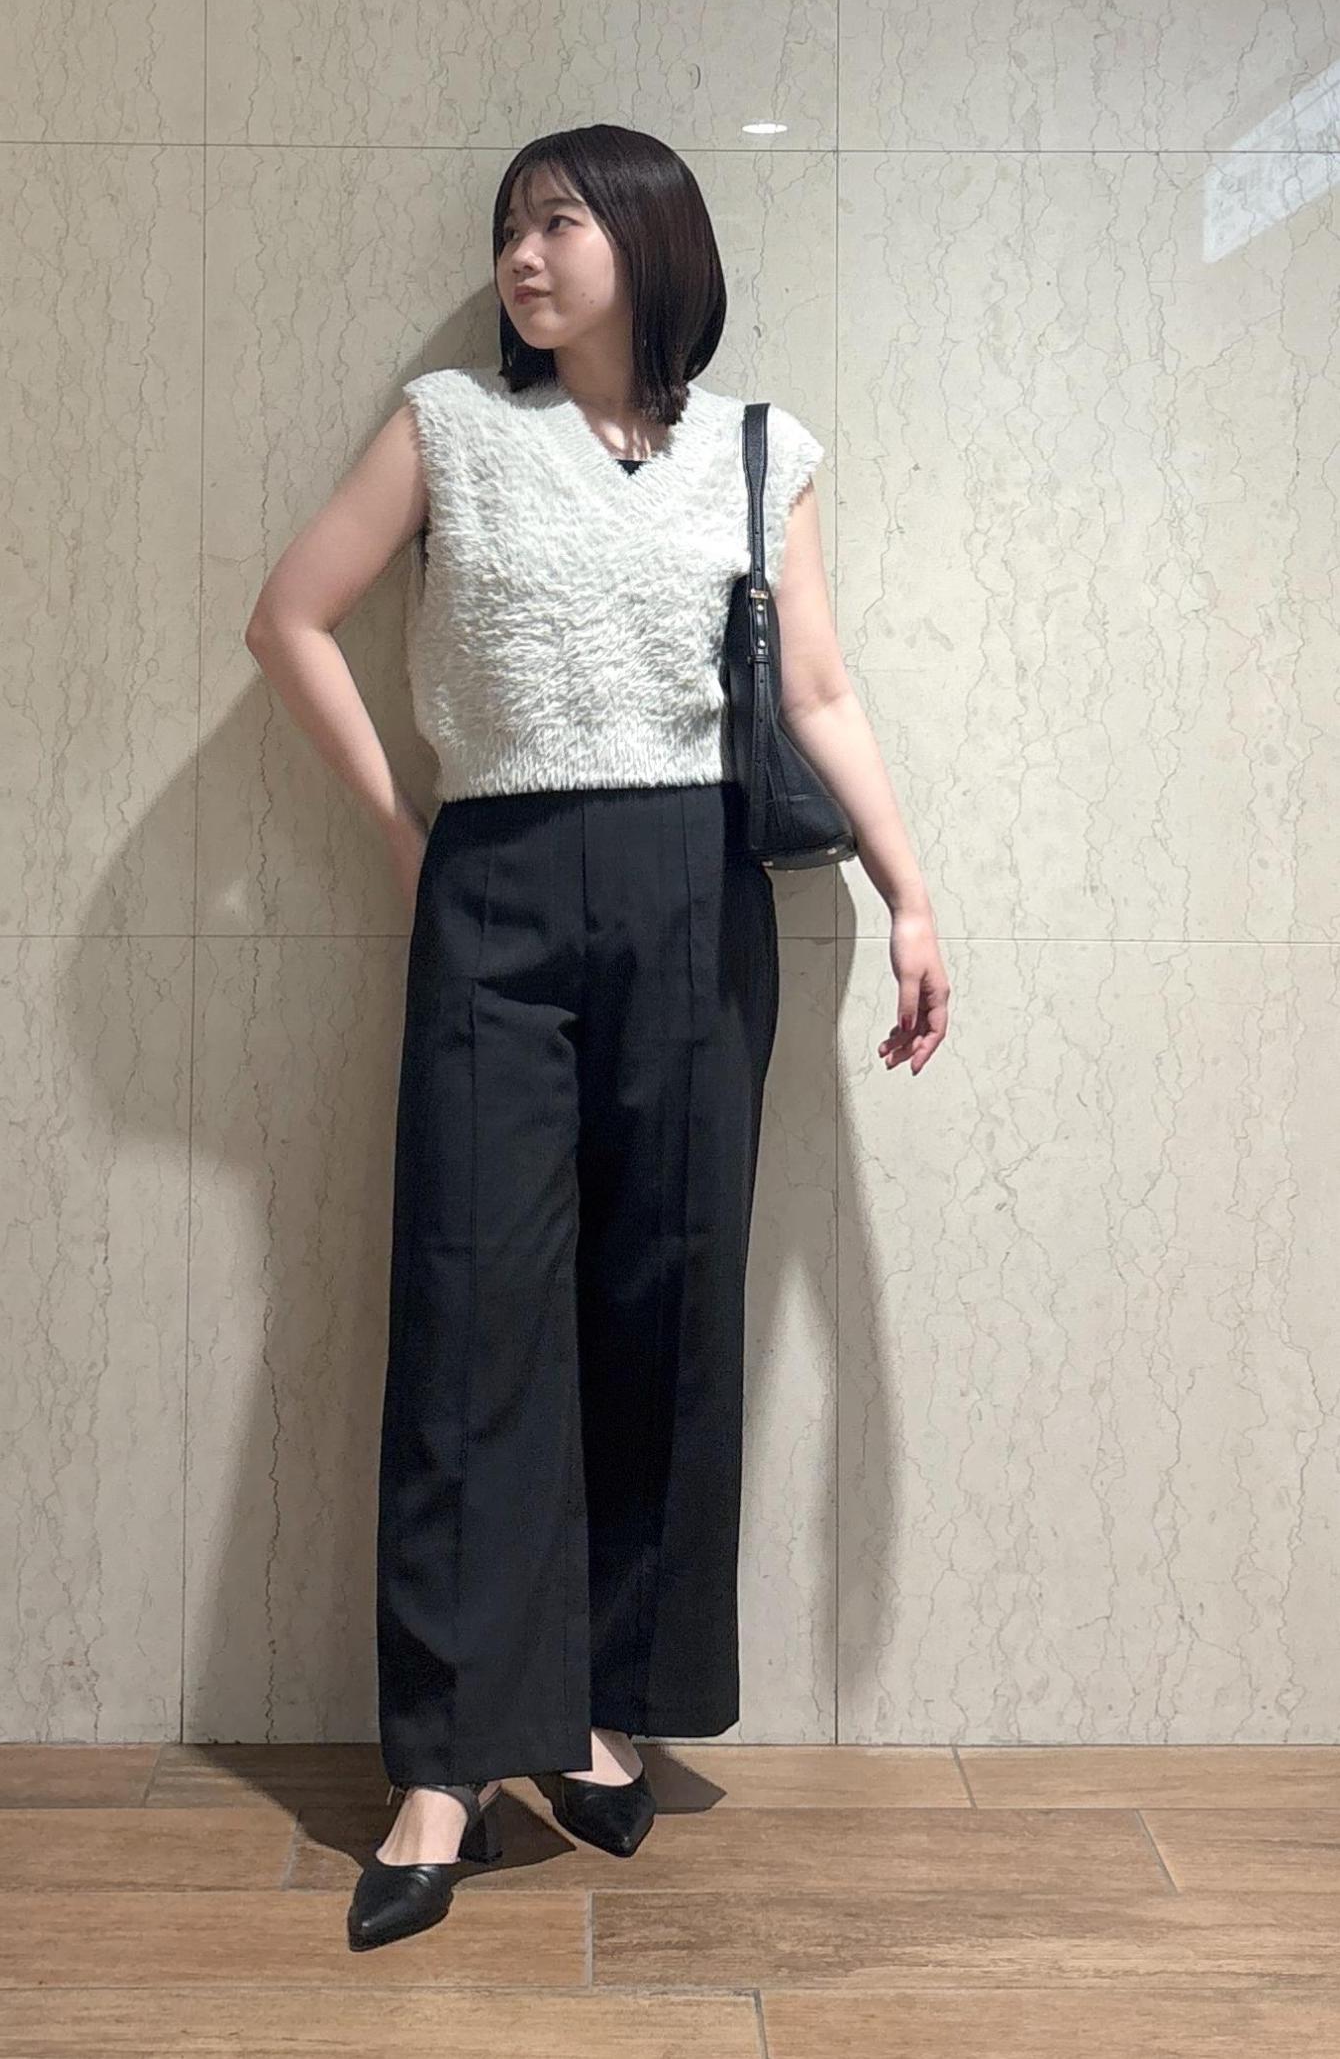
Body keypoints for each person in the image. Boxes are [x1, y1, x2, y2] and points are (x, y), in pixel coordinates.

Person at [244, 123, 950, 1952]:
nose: (524, 255)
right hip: (496, 889)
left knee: (669, 1297)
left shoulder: (757, 451)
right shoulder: (449, 429)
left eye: (558, 221)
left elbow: (818, 687)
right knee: (474, 1308)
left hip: (698, 892)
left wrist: (911, 892)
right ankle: (446, 1765)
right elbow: (291, 618)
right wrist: (408, 835)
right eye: (509, 227)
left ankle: (600, 1711)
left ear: (649, 238)